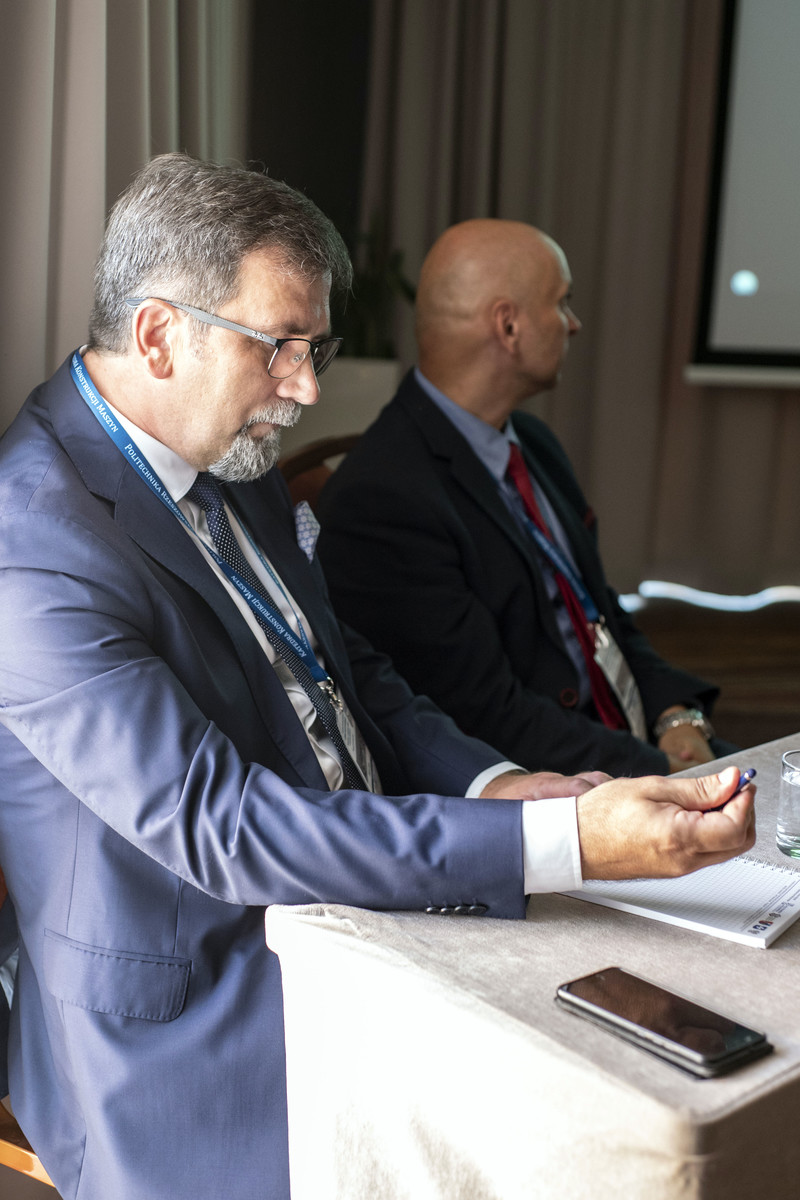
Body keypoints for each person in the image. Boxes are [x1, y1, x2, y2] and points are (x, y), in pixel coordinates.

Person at [0, 158, 754, 1200]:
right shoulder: (34, 541)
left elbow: (347, 668)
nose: (306, 388)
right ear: (160, 336)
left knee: (649, 1067)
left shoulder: (222, 447)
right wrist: (562, 840)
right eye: (279, 346)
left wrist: (498, 786)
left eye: (314, 350)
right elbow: (222, 827)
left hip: (362, 900)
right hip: (197, 1013)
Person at [318, 219, 728, 777]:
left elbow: (601, 610)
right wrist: (661, 768)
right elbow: (486, 717)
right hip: (551, 784)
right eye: (562, 303)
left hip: (627, 740)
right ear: (508, 326)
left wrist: (676, 716)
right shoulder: (383, 499)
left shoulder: (533, 443)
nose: (573, 323)